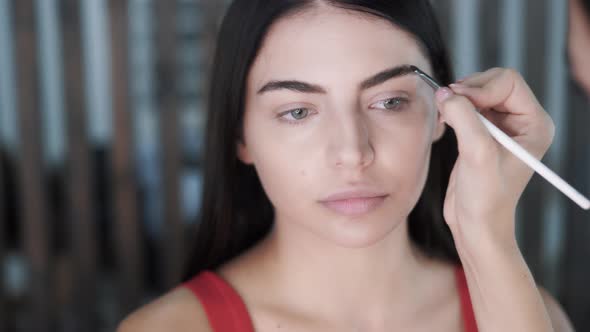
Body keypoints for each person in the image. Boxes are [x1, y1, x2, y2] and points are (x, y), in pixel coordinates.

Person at [118, 1, 574, 331]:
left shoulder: (530, 315)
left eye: (390, 101)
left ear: (442, 115)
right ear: (241, 136)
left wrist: (487, 237)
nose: (353, 153)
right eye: (298, 111)